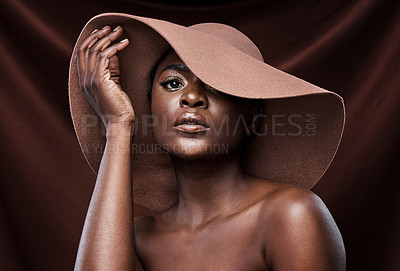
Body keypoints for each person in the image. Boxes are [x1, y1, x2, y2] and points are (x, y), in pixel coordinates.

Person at [69, 13, 346, 270]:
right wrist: (117, 124)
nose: (192, 97)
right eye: (174, 83)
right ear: (150, 108)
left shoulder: (291, 215)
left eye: (217, 86)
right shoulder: (136, 239)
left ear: (252, 117)